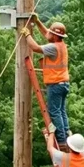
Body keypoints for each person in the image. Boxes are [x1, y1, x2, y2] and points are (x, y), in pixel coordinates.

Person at [23, 14, 70, 149]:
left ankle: (61, 139)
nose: (48, 33)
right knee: (61, 111)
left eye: (51, 32)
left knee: (55, 111)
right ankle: (66, 134)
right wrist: (37, 22)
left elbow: (36, 48)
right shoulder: (60, 45)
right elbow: (47, 34)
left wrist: (27, 35)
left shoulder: (53, 47)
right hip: (63, 83)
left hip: (55, 84)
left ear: (55, 36)